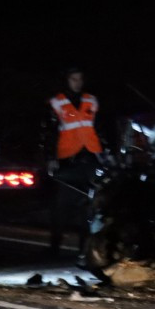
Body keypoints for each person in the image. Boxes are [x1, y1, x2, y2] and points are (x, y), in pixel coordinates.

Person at [43, 67, 105, 258]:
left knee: (89, 207)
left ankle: (84, 249)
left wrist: (106, 155)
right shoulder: (56, 102)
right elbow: (49, 133)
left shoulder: (91, 100)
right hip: (68, 161)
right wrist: (51, 158)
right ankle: (55, 247)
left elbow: (100, 128)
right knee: (61, 206)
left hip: (91, 159)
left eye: (80, 79)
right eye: (73, 79)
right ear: (66, 80)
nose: (77, 83)